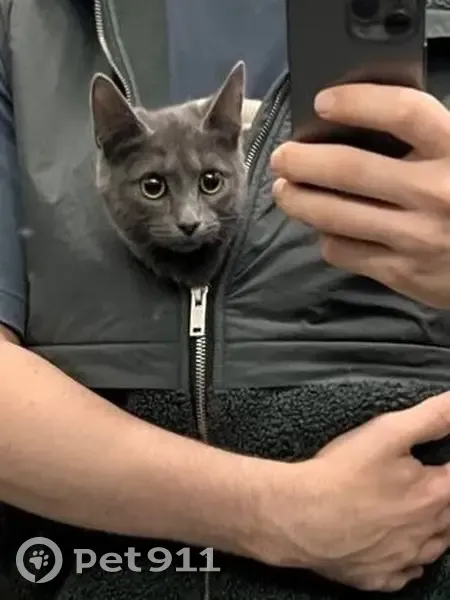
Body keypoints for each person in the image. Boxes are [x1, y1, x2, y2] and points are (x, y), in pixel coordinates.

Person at [2, 1, 450, 599]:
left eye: (209, 183)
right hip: (100, 561)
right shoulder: (27, 22)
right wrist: (277, 512)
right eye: (156, 187)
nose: (190, 217)